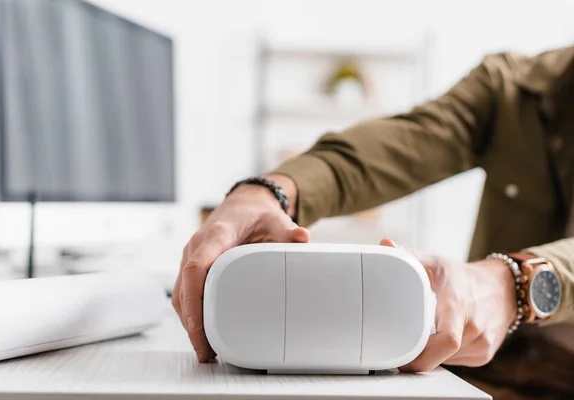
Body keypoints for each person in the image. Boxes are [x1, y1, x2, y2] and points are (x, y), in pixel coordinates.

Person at [172, 45, 574, 400]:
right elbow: (400, 144)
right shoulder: (515, 85)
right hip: (484, 373)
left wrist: (516, 283)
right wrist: (267, 191)